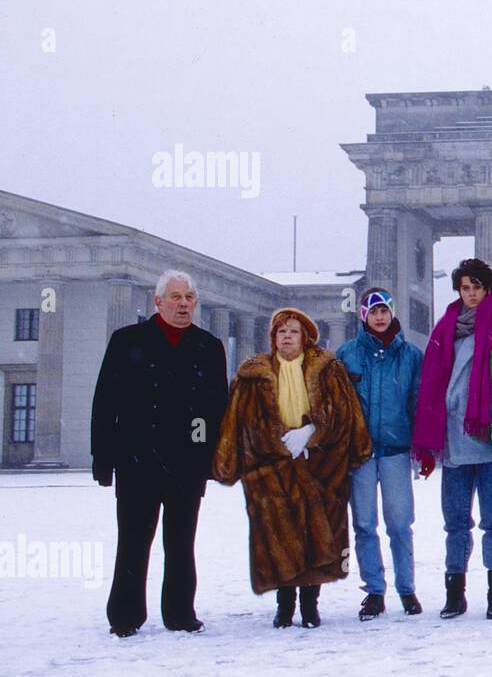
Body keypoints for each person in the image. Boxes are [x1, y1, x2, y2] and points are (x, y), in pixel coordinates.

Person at [213, 308, 371, 628]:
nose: (287, 336)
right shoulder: (251, 373)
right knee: (279, 538)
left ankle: (310, 605)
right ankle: (284, 605)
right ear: (273, 337)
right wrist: (230, 459)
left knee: (316, 535)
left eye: (294, 331)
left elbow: (344, 412)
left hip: (319, 465)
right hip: (269, 467)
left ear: (306, 337)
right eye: (281, 331)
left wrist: (311, 431)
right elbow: (235, 421)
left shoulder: (328, 369)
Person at [92, 270, 229, 637]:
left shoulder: (209, 346)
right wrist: (102, 458)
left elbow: (216, 408)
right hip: (138, 459)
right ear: (158, 302)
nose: (184, 304)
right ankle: (125, 615)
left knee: (181, 544)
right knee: (134, 543)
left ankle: (180, 613)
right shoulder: (126, 341)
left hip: (187, 462)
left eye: (189, 298)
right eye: (176, 297)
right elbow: (106, 401)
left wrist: (210, 455)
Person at [413, 259, 492, 619]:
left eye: (478, 287)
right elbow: (430, 383)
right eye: (465, 287)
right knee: (456, 522)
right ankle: (455, 593)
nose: (472, 294)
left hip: (490, 440)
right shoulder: (445, 327)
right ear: (458, 290)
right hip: (454, 440)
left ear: (488, 289)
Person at [336, 288, 425, 621]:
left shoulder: (411, 355)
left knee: (400, 523)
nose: (379, 316)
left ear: (391, 312)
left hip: (396, 450)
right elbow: (336, 405)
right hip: (360, 453)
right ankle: (374, 590)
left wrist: (423, 445)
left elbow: (418, 402)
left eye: (384, 309)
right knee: (363, 523)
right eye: (372, 311)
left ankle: (407, 588)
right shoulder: (346, 355)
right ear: (363, 316)